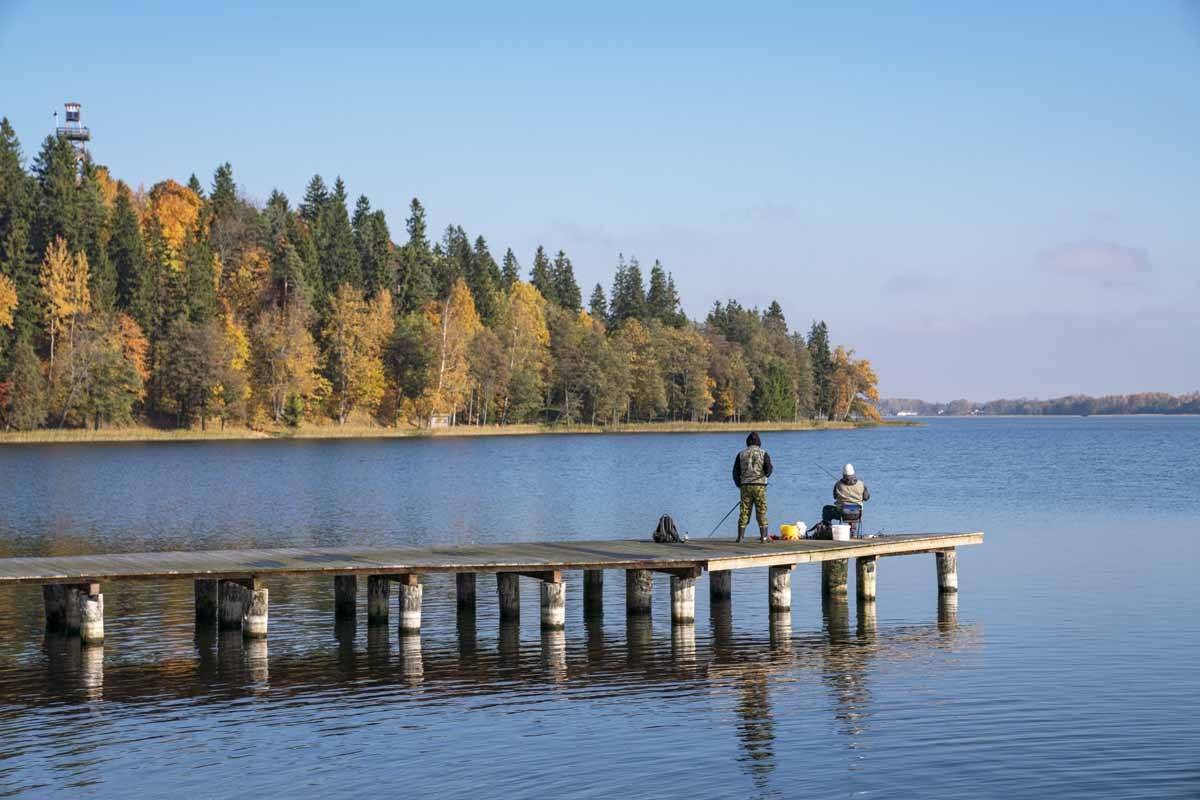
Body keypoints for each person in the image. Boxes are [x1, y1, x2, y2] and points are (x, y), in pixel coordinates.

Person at [733, 432, 773, 543]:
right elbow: (769, 470)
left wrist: (739, 484)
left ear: (747, 442)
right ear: (759, 442)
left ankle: (740, 537)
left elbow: (735, 472)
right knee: (761, 510)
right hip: (760, 486)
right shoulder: (764, 453)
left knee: (744, 510)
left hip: (745, 486)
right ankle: (764, 537)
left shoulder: (741, 454)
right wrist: (766, 474)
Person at [832, 463, 870, 537]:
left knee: (826, 509)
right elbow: (866, 498)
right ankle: (853, 533)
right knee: (852, 509)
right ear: (853, 474)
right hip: (857, 513)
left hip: (842, 513)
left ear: (843, 474)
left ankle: (828, 529)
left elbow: (834, 496)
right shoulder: (861, 484)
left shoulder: (838, 484)